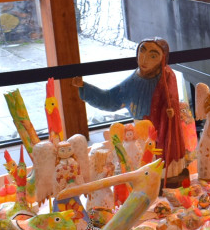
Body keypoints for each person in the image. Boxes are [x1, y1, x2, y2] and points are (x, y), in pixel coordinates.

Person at [73, 38, 191, 181]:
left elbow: (171, 101)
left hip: (161, 130)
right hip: (139, 130)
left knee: (159, 164)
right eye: (142, 52)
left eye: (153, 56)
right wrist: (84, 88)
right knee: (142, 162)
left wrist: (170, 111)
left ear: (162, 59)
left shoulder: (167, 76)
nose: (144, 59)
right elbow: (111, 99)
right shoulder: (135, 80)